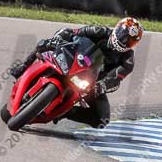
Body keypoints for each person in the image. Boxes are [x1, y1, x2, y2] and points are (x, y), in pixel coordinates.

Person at [9, 18, 144, 128]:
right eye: (123, 36)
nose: (125, 42)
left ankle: (64, 113)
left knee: (102, 119)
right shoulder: (99, 31)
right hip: (73, 60)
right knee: (44, 45)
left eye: (130, 41)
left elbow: (115, 79)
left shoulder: (128, 60)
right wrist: (58, 39)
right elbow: (71, 32)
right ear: (117, 29)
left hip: (91, 82)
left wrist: (102, 86)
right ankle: (23, 66)